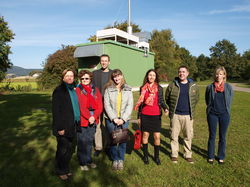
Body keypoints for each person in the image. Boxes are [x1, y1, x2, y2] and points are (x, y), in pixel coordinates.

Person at [165, 66, 199, 164]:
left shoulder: (193, 85)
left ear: (187, 73)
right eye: (180, 72)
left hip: (188, 116)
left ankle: (187, 154)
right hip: (175, 115)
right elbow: (167, 98)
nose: (181, 74)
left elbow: (196, 99)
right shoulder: (172, 85)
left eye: (183, 72)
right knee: (174, 136)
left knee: (188, 136)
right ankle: (174, 154)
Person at [134, 69, 168, 165]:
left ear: (156, 77)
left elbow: (161, 100)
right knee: (145, 135)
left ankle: (156, 157)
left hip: (156, 115)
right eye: (150, 75)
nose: (151, 77)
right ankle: (145, 156)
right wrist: (139, 117)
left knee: (157, 136)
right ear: (147, 76)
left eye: (153, 75)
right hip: (145, 114)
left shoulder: (159, 88)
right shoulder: (143, 88)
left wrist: (165, 108)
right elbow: (140, 103)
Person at [52, 69, 80, 180]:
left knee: (69, 149)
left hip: (72, 124)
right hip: (63, 125)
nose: (69, 78)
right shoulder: (59, 91)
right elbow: (56, 110)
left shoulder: (73, 90)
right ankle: (59, 170)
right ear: (63, 77)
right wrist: (60, 127)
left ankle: (65, 169)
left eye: (71, 76)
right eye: (67, 76)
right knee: (62, 149)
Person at [104, 69, 133, 170]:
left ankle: (120, 159)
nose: (117, 78)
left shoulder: (128, 89)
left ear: (122, 76)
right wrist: (114, 118)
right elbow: (106, 105)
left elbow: (130, 105)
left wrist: (123, 119)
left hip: (124, 119)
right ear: (112, 78)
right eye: (115, 76)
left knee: (122, 140)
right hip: (111, 119)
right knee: (113, 140)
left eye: (118, 76)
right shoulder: (108, 89)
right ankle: (115, 159)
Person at [75, 70, 103, 171]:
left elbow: (100, 105)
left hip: (93, 120)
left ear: (90, 79)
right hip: (83, 120)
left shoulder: (95, 90)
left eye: (86, 78)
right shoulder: (78, 90)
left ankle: (88, 159)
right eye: (82, 78)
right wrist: (89, 117)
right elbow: (80, 107)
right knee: (82, 142)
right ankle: (82, 162)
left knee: (90, 141)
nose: (84, 80)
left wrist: (94, 116)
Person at [205, 66, 233, 164]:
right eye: (217, 74)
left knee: (223, 136)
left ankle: (221, 156)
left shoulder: (228, 87)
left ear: (224, 75)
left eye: (220, 74)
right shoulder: (210, 87)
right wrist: (210, 109)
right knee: (212, 136)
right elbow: (207, 100)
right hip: (212, 114)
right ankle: (210, 156)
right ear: (215, 75)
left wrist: (226, 110)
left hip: (224, 115)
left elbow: (230, 101)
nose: (218, 76)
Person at [92, 54, 113, 156]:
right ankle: (98, 147)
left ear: (109, 62)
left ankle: (108, 145)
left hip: (109, 104)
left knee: (109, 125)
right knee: (98, 125)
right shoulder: (95, 73)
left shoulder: (113, 74)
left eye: (106, 61)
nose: (104, 62)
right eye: (102, 61)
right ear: (100, 62)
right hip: (98, 103)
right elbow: (91, 88)